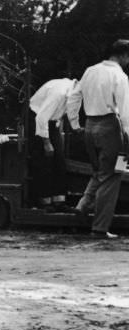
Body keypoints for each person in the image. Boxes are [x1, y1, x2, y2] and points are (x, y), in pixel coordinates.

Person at [66, 39, 129, 239]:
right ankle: (100, 228)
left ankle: (83, 205)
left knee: (99, 171)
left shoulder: (90, 71)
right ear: (123, 56)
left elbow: (74, 96)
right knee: (112, 175)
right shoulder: (119, 75)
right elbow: (125, 112)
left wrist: (75, 123)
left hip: (90, 126)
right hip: (110, 126)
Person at [28, 77, 78, 209]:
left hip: (52, 123)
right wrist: (46, 142)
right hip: (38, 119)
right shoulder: (60, 92)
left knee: (59, 161)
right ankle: (44, 202)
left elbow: (61, 115)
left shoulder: (73, 94)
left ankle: (59, 201)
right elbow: (41, 118)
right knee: (44, 162)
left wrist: (58, 136)